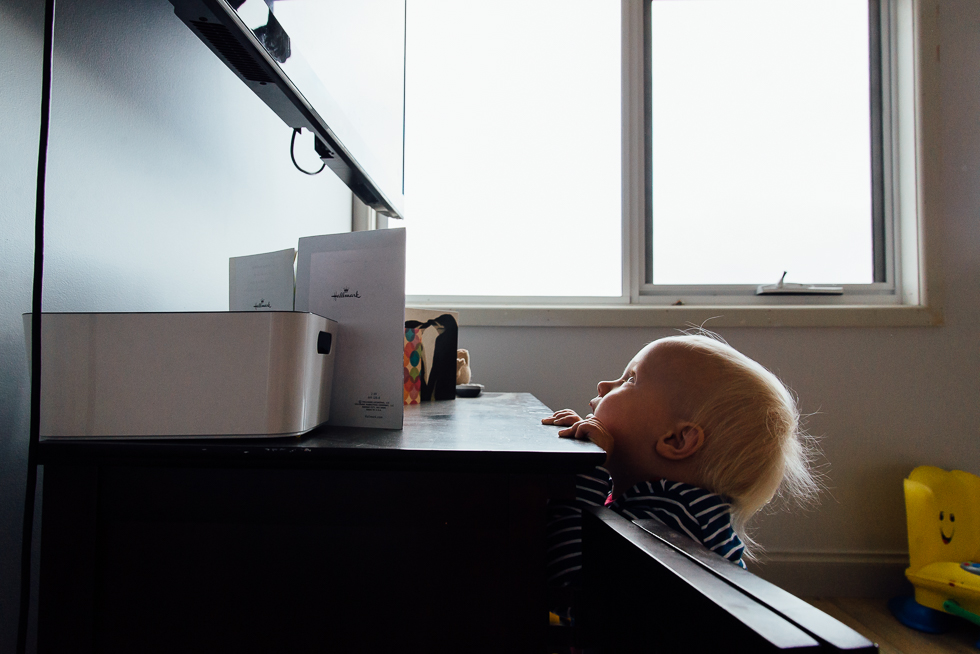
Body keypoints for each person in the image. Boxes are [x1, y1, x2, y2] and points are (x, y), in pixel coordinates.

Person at [542, 333, 818, 587]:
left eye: (629, 380)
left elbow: (571, 585)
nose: (603, 385)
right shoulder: (660, 501)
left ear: (676, 441)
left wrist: (586, 472)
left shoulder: (676, 522)